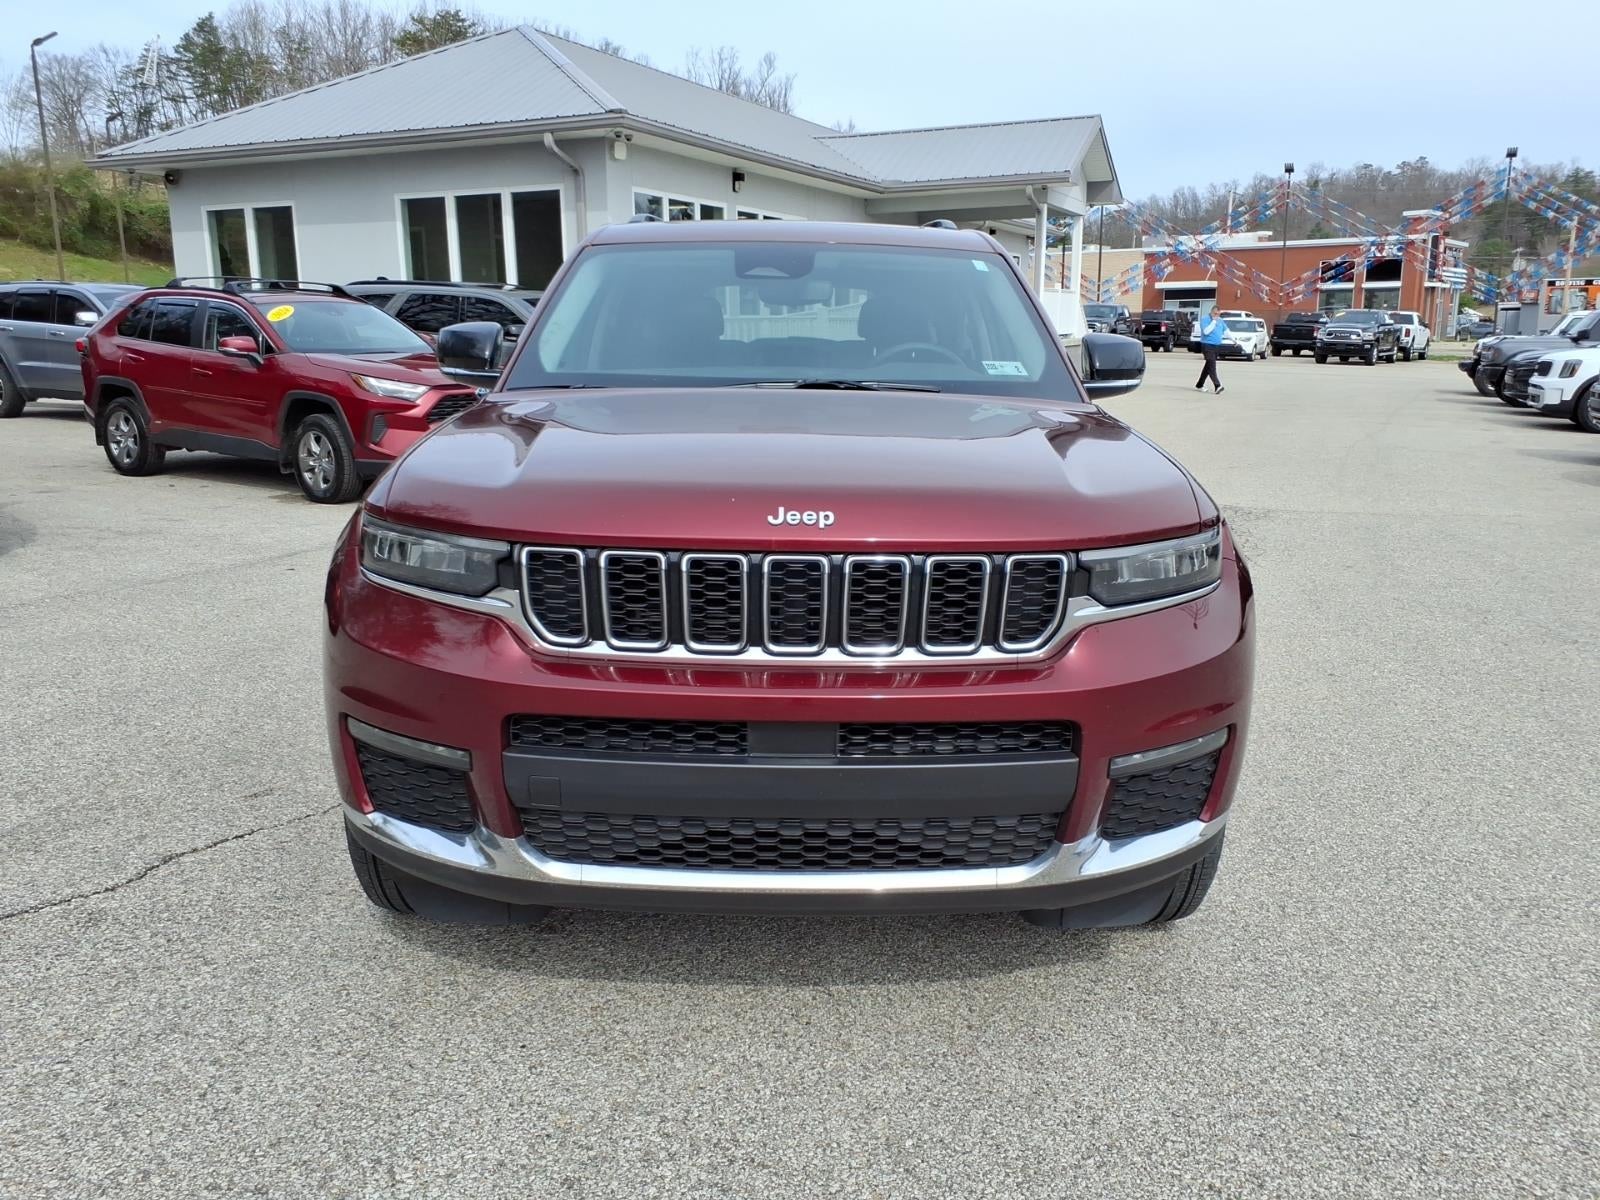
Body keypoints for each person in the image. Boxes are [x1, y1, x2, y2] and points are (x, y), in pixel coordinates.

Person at [1195, 307, 1227, 394]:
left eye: (1218, 314)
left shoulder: (1220, 320)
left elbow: (1226, 330)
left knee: (1208, 366)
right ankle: (1217, 385)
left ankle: (1199, 385)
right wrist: (1213, 321)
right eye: (1215, 314)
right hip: (1207, 345)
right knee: (1212, 365)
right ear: (1212, 312)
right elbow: (1206, 331)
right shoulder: (1205, 319)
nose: (1217, 316)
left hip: (1216, 346)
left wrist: (1234, 340)